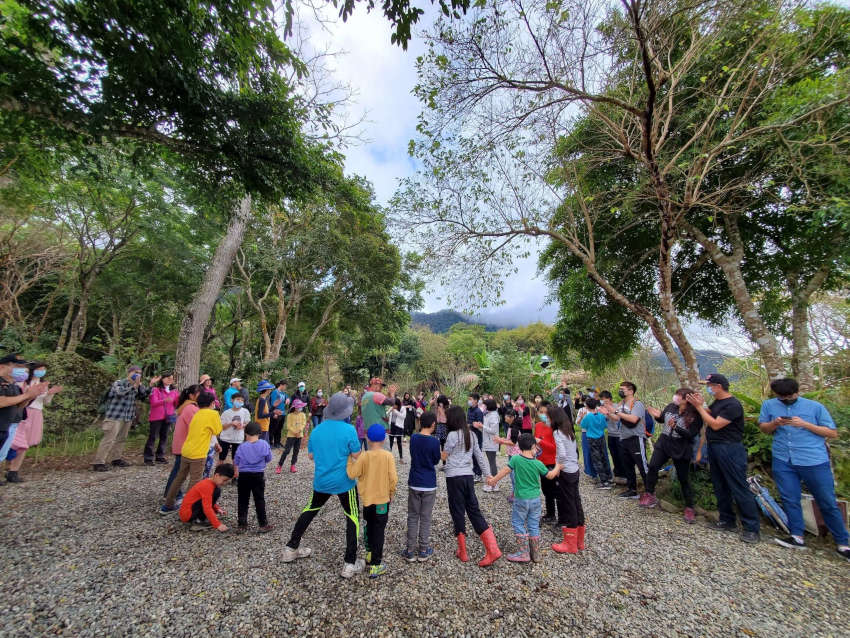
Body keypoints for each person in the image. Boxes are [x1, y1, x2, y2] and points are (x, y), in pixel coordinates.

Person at [758, 378, 849, 559]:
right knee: (790, 498)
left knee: (827, 500)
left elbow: (832, 432)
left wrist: (805, 424)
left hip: (813, 460)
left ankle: (843, 543)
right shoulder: (769, 405)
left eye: (788, 396)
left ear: (796, 392)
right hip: (783, 458)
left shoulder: (814, 407)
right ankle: (796, 536)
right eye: (781, 397)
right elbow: (764, 428)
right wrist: (775, 423)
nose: (785, 399)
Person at [281, 391, 365, 578]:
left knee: (310, 510)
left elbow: (311, 455)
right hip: (345, 482)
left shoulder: (317, 430)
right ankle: (350, 563)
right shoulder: (349, 430)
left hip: (322, 480)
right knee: (352, 517)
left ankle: (291, 547)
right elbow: (357, 455)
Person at [686, 374, 760, 543]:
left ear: (718, 386)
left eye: (710, 385)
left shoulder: (732, 404)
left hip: (730, 448)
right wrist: (701, 404)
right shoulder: (718, 403)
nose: (708, 388)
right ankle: (727, 520)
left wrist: (698, 407)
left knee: (738, 486)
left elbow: (715, 424)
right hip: (714, 446)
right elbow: (709, 414)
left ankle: (751, 528)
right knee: (720, 485)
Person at [442, 405, 502, 567]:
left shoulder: (452, 436)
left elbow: (444, 456)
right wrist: (488, 475)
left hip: (454, 477)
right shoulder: (472, 435)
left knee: (457, 511)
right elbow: (479, 458)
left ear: (452, 420)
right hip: (468, 476)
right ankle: (492, 548)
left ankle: (463, 551)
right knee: (473, 510)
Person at [487, 433, 560, 563]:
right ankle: (535, 554)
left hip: (520, 499)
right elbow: (550, 476)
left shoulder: (515, 459)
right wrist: (558, 466)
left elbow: (504, 471)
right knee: (533, 524)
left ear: (519, 447)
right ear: (533, 446)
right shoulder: (538, 463)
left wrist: (493, 480)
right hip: (535, 499)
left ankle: (523, 553)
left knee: (518, 522)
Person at [347, 424, 398, 578]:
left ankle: (369, 553)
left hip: (367, 501)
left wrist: (349, 459)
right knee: (379, 531)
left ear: (367, 438)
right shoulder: (388, 456)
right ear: (384, 439)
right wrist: (391, 492)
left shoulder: (364, 456)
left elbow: (352, 474)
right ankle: (376, 564)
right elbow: (393, 478)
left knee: (368, 526)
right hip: (383, 501)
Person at [643, 389, 703, 521]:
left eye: (679, 396)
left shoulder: (695, 414)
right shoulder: (671, 406)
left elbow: (691, 434)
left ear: (686, 399)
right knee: (653, 466)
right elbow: (662, 419)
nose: (675, 397)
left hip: (681, 447)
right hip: (664, 442)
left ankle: (689, 507)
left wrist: (676, 427)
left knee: (683, 478)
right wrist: (656, 415)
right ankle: (649, 493)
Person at [161, 391, 223, 513]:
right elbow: (217, 430)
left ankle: (167, 505)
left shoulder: (197, 413)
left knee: (179, 478)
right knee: (195, 482)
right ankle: (188, 509)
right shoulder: (212, 414)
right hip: (198, 453)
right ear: (212, 403)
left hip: (186, 450)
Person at [92, 365, 157, 472]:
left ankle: (116, 459)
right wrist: (134, 386)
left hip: (128, 417)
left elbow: (144, 396)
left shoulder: (138, 385)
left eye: (140, 373)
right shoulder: (119, 382)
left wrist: (150, 385)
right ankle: (98, 462)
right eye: (136, 372)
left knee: (121, 439)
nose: (138, 375)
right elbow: (119, 393)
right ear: (129, 372)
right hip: (114, 416)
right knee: (109, 439)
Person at [6, 362, 62, 483]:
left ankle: (13, 471)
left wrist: (51, 393)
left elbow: (46, 402)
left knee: (25, 444)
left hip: (37, 413)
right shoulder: (23, 381)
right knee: (13, 441)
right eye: (40, 368)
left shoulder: (43, 384)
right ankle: (6, 465)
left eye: (44, 369)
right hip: (22, 412)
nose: (42, 371)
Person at [0, 354, 49, 484]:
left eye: (22, 367)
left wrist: (31, 396)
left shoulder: (14, 386)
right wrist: (26, 395)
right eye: (16, 366)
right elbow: (2, 402)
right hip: (5, 424)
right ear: (2, 366)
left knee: (3, 454)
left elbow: (20, 406)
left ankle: (10, 472)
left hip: (8, 424)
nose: (20, 370)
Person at [403, 412, 441, 562]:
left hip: (415, 481)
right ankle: (424, 549)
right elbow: (436, 460)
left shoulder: (414, 438)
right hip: (429, 483)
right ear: (433, 424)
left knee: (413, 516)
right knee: (425, 517)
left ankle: (410, 550)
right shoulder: (435, 441)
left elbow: (413, 454)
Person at [549, 406, 585, 553]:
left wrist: (557, 469)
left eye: (549, 417)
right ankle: (579, 541)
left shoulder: (557, 432)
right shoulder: (568, 430)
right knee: (576, 503)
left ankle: (570, 544)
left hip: (566, 472)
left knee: (569, 505)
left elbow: (562, 454)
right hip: (574, 470)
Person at [608, 382, 647, 499]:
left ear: (630, 391)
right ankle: (632, 489)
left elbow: (634, 418)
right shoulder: (622, 404)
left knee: (642, 465)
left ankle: (650, 491)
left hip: (636, 437)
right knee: (628, 465)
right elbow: (617, 418)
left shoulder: (637, 404)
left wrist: (615, 411)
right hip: (623, 438)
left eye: (622, 389)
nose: (620, 391)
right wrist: (608, 413)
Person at [234, 421, 273, 533]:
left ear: (246, 433)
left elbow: (236, 460)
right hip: (258, 475)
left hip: (244, 476)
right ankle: (263, 524)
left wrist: (236, 471)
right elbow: (269, 458)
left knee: (242, 500)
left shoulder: (242, 446)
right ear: (259, 433)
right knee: (259, 499)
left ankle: (242, 525)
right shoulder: (264, 444)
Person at [163, 385, 200, 503]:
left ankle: (171, 493)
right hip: (184, 444)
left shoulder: (187, 406)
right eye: (199, 393)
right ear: (191, 396)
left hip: (182, 443)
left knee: (179, 470)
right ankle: (172, 495)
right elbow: (195, 427)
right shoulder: (190, 408)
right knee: (179, 472)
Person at [179, 463, 233, 532]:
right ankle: (198, 521)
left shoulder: (211, 483)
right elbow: (207, 507)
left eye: (227, 481)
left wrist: (217, 509)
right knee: (212, 497)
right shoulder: (207, 486)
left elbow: (209, 500)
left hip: (191, 509)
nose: (225, 483)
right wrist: (218, 525)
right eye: (224, 480)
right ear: (217, 475)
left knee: (217, 491)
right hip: (187, 515)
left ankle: (200, 518)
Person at [533, 402, 562, 523]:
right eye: (541, 412)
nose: (543, 415)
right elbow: (536, 442)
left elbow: (556, 448)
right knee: (545, 490)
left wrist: (541, 442)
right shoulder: (538, 425)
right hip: (540, 462)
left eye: (546, 413)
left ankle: (562, 519)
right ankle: (550, 514)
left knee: (556, 491)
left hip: (552, 463)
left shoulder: (555, 427)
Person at [144, 371, 179, 466]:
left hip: (169, 416)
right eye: (167, 378)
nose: (169, 380)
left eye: (171, 378)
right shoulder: (156, 389)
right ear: (162, 379)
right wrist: (164, 400)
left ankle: (160, 456)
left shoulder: (174, 391)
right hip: (156, 416)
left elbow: (176, 404)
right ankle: (148, 457)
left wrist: (177, 401)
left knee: (164, 436)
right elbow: (153, 403)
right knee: (153, 437)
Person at [582, 398, 613, 489]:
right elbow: (605, 426)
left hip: (592, 439)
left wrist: (583, 417)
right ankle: (609, 477)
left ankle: (604, 481)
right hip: (601, 437)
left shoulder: (587, 417)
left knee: (597, 459)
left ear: (587, 406)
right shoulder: (601, 415)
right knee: (604, 456)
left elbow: (583, 426)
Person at [599, 390, 627, 484]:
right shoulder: (602, 408)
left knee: (621, 456)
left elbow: (616, 419)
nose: (604, 403)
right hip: (610, 435)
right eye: (602, 401)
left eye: (605, 401)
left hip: (620, 435)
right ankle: (618, 476)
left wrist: (607, 413)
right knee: (614, 456)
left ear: (610, 399)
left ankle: (625, 476)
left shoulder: (616, 407)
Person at [276, 398, 307, 473]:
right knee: (286, 451)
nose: (300, 408)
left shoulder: (303, 414)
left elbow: (304, 424)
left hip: (299, 435)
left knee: (296, 451)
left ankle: (293, 465)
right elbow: (288, 426)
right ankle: (279, 465)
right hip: (291, 436)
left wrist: (299, 431)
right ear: (295, 407)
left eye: (301, 407)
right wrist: (295, 432)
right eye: (299, 407)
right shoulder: (290, 415)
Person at [218, 392, 249, 462]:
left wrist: (242, 426)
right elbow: (221, 427)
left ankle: (236, 473)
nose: (240, 401)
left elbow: (247, 422)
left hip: (238, 439)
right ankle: (218, 472)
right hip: (225, 438)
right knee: (221, 458)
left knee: (236, 460)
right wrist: (231, 423)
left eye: (242, 400)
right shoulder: (226, 413)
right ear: (232, 400)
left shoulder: (245, 411)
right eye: (238, 399)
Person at [480, 398, 500, 491]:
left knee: (492, 463)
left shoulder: (494, 416)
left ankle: (494, 483)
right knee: (490, 463)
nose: (483, 406)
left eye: (484, 405)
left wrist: (482, 426)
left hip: (492, 442)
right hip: (488, 442)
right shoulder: (488, 414)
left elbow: (493, 430)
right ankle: (492, 482)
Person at [575, 396, 596, 479]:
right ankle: (589, 470)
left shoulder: (597, 409)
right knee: (587, 452)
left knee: (596, 452)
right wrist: (582, 417)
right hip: (585, 433)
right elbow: (577, 422)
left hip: (595, 433)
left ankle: (597, 471)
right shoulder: (582, 410)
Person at [466, 392, 485, 482]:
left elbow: (480, 425)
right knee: (472, 455)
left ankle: (479, 474)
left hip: (477, 436)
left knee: (477, 455)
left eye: (470, 399)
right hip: (470, 435)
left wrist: (471, 425)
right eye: (468, 399)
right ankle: (474, 471)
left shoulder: (479, 412)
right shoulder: (469, 410)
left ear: (476, 401)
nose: (469, 401)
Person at [269, 380, 289, 449]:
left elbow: (288, 398)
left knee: (279, 429)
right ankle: (270, 443)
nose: (285, 387)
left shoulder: (283, 393)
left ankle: (277, 442)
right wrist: (274, 412)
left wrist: (288, 400)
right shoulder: (275, 392)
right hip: (276, 413)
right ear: (281, 385)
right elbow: (273, 403)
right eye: (285, 386)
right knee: (273, 428)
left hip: (283, 413)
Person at [434, 394, 450, 469]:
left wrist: (441, 411)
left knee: (446, 444)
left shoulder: (447, 407)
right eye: (439, 402)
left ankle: (447, 463)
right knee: (441, 444)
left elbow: (447, 418)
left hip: (445, 426)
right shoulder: (438, 407)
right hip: (439, 425)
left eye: (440, 402)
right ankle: (444, 463)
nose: (439, 403)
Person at [388, 398, 406, 463]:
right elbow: (387, 414)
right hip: (392, 426)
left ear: (398, 404)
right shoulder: (392, 407)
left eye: (394, 405)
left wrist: (395, 411)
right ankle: (388, 458)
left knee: (399, 442)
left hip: (399, 426)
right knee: (390, 442)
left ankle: (401, 458)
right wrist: (389, 411)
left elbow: (403, 416)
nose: (393, 406)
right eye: (393, 404)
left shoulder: (403, 408)